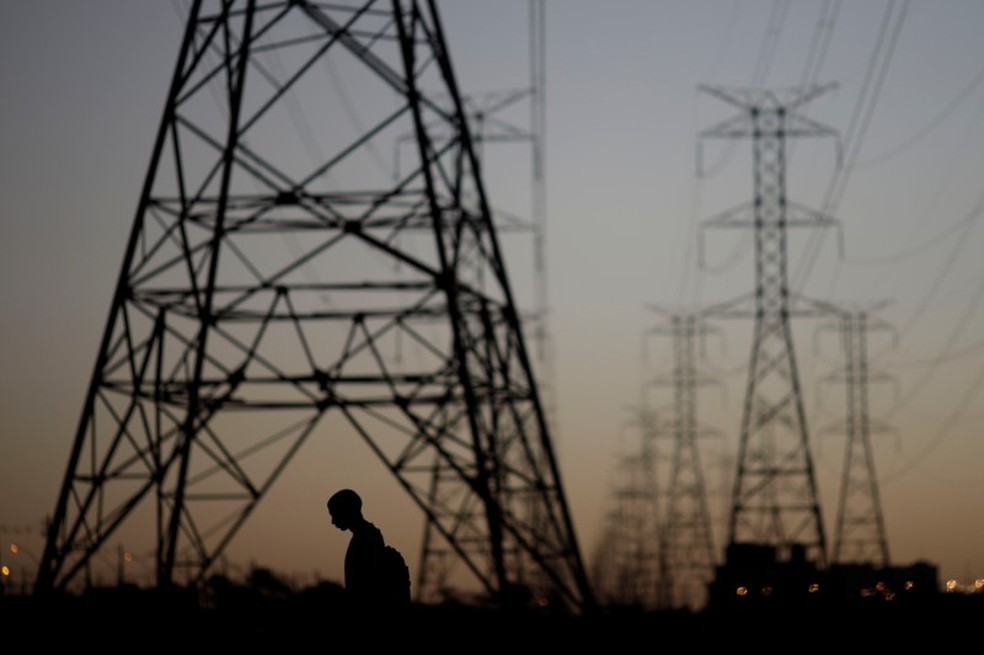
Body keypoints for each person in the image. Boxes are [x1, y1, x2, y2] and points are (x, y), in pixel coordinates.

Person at [326, 488, 397, 613]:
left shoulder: (366, 537)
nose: (333, 522)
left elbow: (367, 584)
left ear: (347, 511)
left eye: (335, 514)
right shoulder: (366, 535)